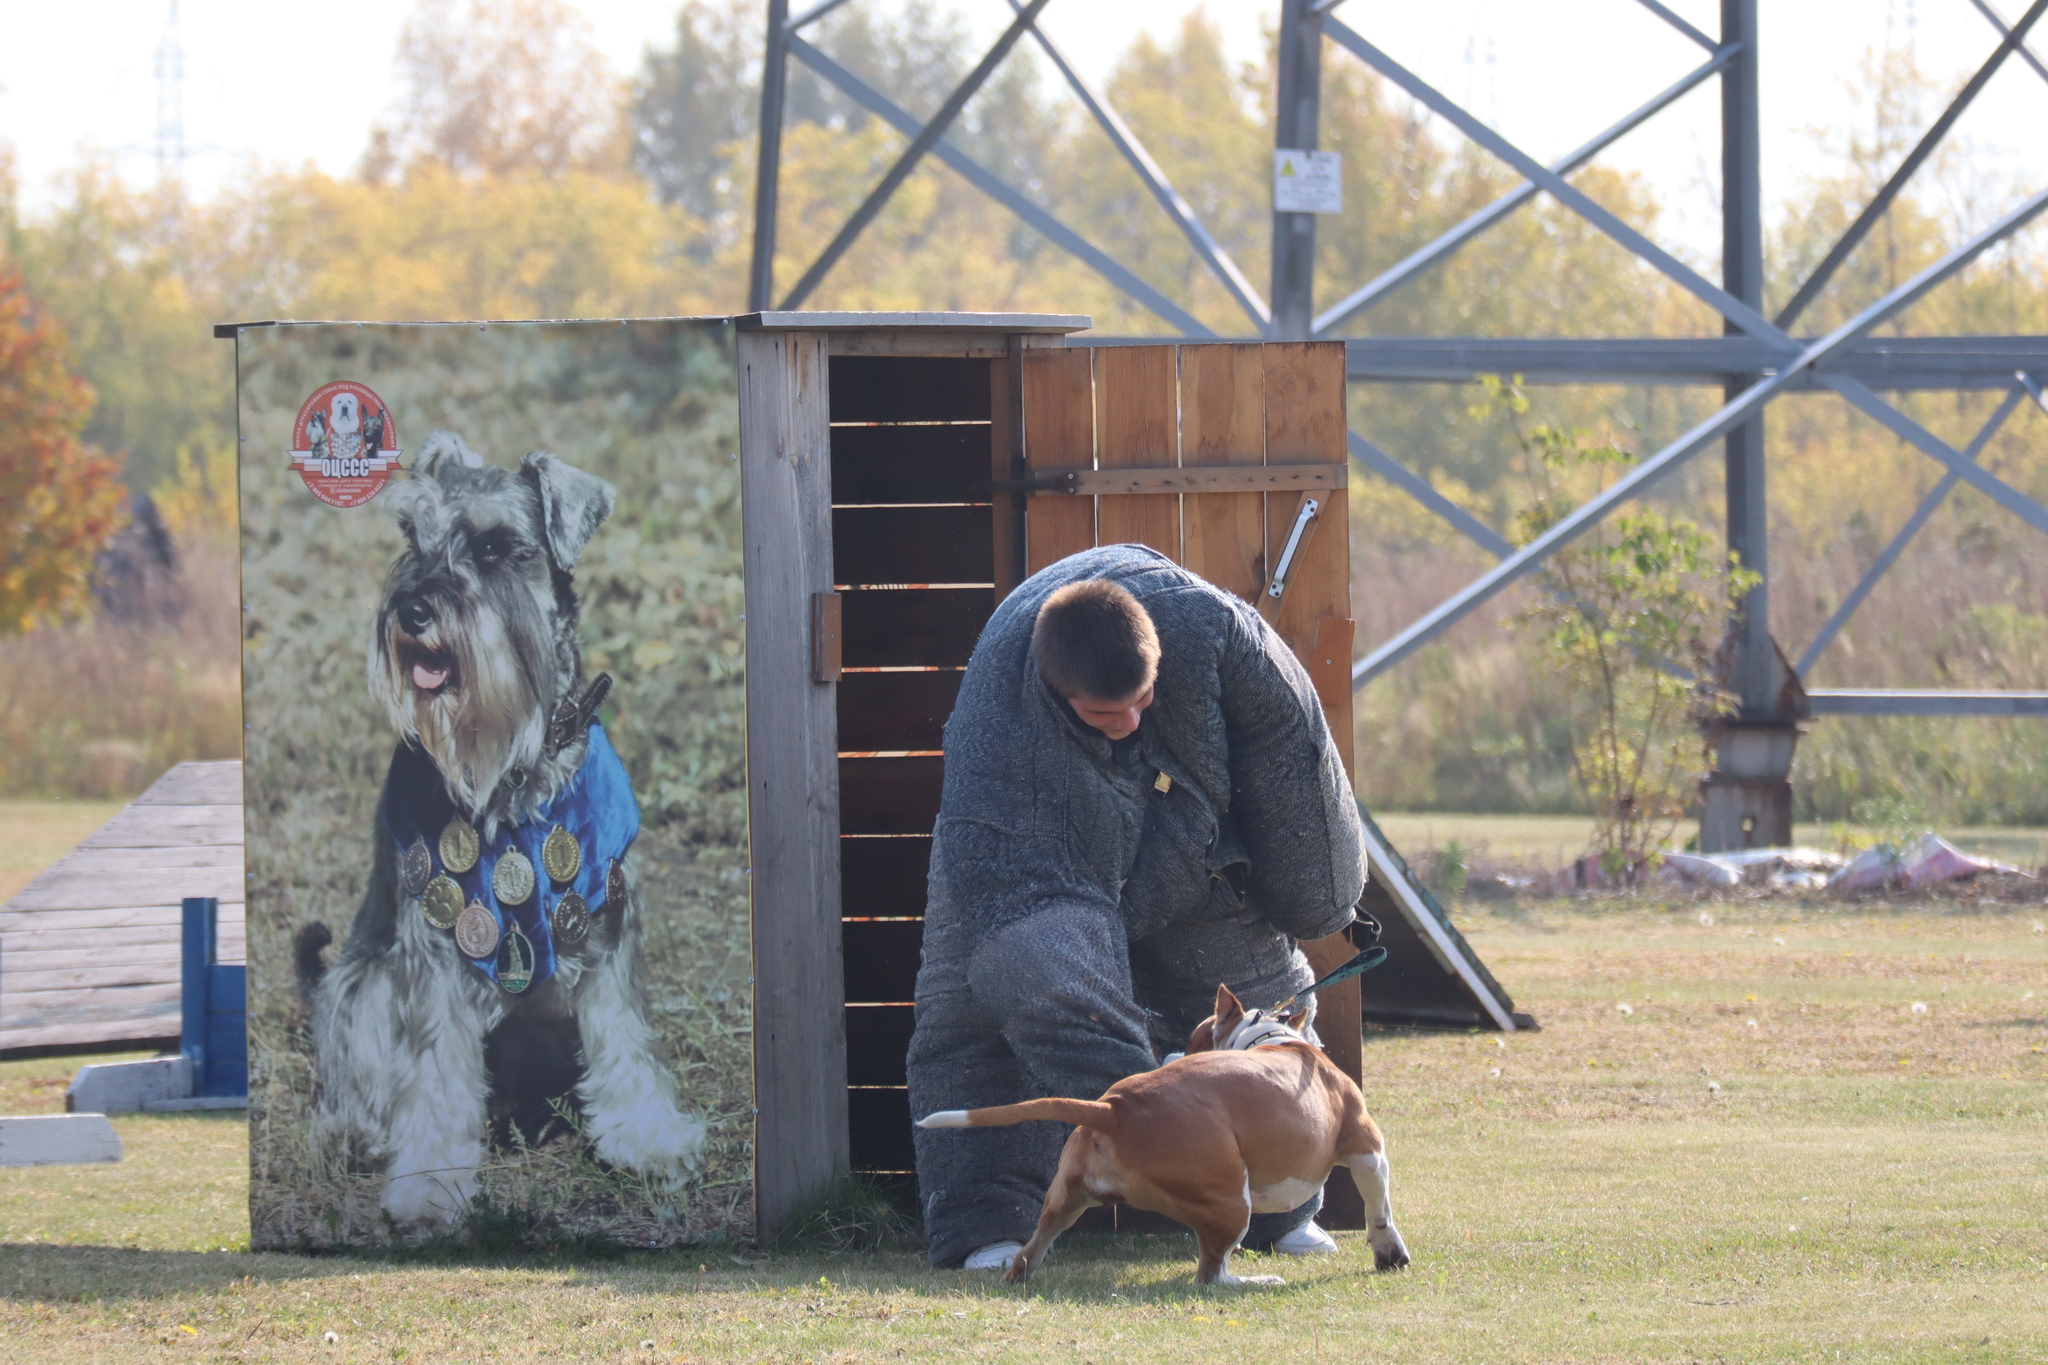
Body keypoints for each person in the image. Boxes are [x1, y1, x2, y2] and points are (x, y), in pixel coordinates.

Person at [907, 543, 1368, 1270]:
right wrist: (1156, 1096)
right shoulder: (998, 736)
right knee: (985, 993)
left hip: (1193, 838)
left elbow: (1291, 743)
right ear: (1062, 694)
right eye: (1103, 711)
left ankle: (1282, 1213)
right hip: (1023, 864)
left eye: (1141, 702)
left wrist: (1322, 894)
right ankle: (988, 1221)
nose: (1127, 721)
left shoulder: (1209, 628)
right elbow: (1034, 952)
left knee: (1254, 1015)